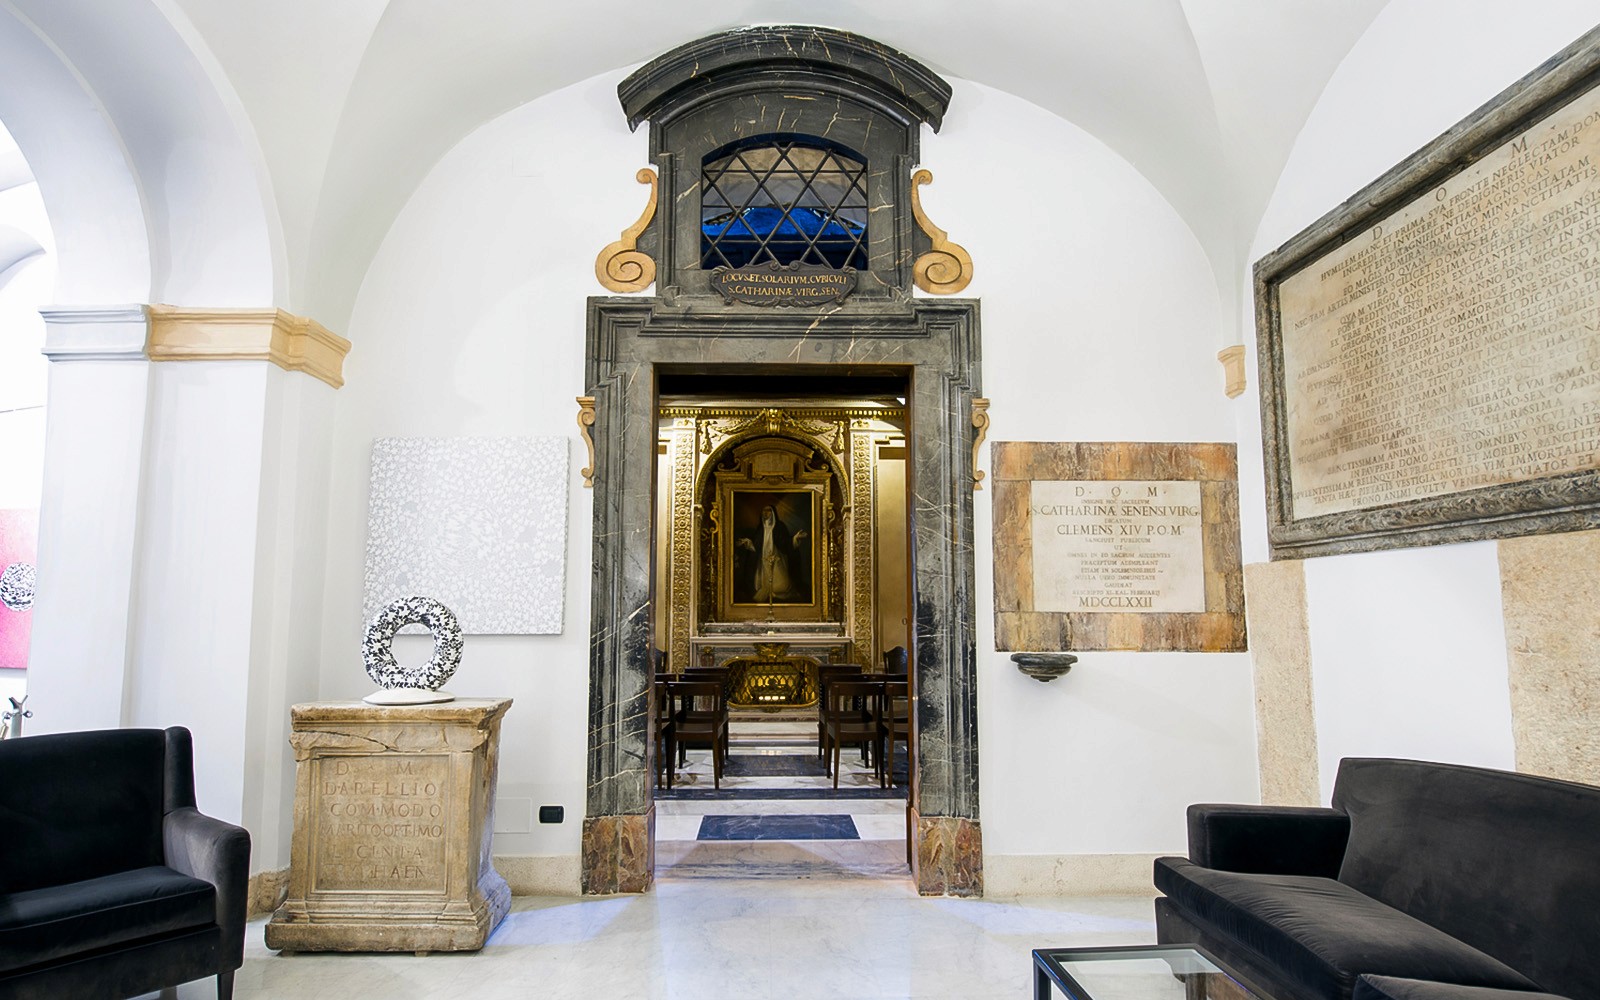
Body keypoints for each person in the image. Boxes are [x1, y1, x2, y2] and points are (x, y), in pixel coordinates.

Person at [737, 504, 808, 602]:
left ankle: (778, 593)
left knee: (781, 586)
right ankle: (768, 592)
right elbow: (756, 546)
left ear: (773, 513)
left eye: (768, 510)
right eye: (764, 511)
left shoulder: (779, 526)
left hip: (777, 558)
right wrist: (748, 542)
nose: (765, 513)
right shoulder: (761, 529)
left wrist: (795, 538)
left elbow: (786, 543)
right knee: (764, 582)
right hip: (763, 559)